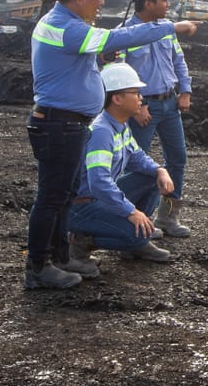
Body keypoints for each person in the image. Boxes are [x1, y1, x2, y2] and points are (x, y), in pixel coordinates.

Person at [24, 0, 197, 290]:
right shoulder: (69, 29)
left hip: (67, 123)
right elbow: (120, 37)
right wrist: (171, 27)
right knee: (52, 197)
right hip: (59, 125)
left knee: (62, 196)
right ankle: (38, 267)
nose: (101, 3)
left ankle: (60, 258)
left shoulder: (63, 22)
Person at [67, 63, 177, 268]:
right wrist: (131, 212)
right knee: (134, 235)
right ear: (117, 99)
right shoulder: (102, 132)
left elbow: (136, 157)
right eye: (135, 92)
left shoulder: (120, 124)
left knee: (152, 176)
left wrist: (160, 170)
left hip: (98, 198)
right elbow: (99, 182)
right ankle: (80, 242)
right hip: (82, 206)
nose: (141, 97)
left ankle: (137, 237)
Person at [121, 0, 194, 238]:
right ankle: (137, 222)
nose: (168, 5)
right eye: (164, 0)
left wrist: (184, 90)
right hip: (144, 108)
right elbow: (119, 73)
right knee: (138, 165)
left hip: (170, 104)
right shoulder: (125, 35)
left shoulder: (166, 31)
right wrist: (137, 106)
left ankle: (167, 217)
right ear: (148, 3)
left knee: (178, 159)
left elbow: (178, 61)